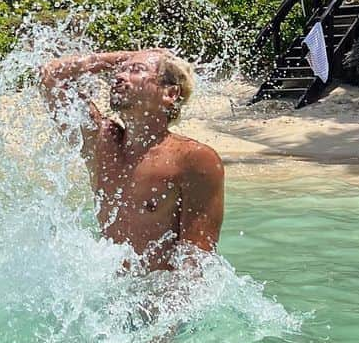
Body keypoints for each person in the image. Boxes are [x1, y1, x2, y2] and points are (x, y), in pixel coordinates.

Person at [38, 49, 224, 272]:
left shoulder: (194, 159)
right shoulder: (101, 142)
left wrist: (159, 306)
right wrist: (124, 57)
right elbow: (51, 75)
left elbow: (196, 261)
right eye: (119, 71)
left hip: (159, 297)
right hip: (109, 295)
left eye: (136, 70)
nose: (118, 76)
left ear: (170, 93)